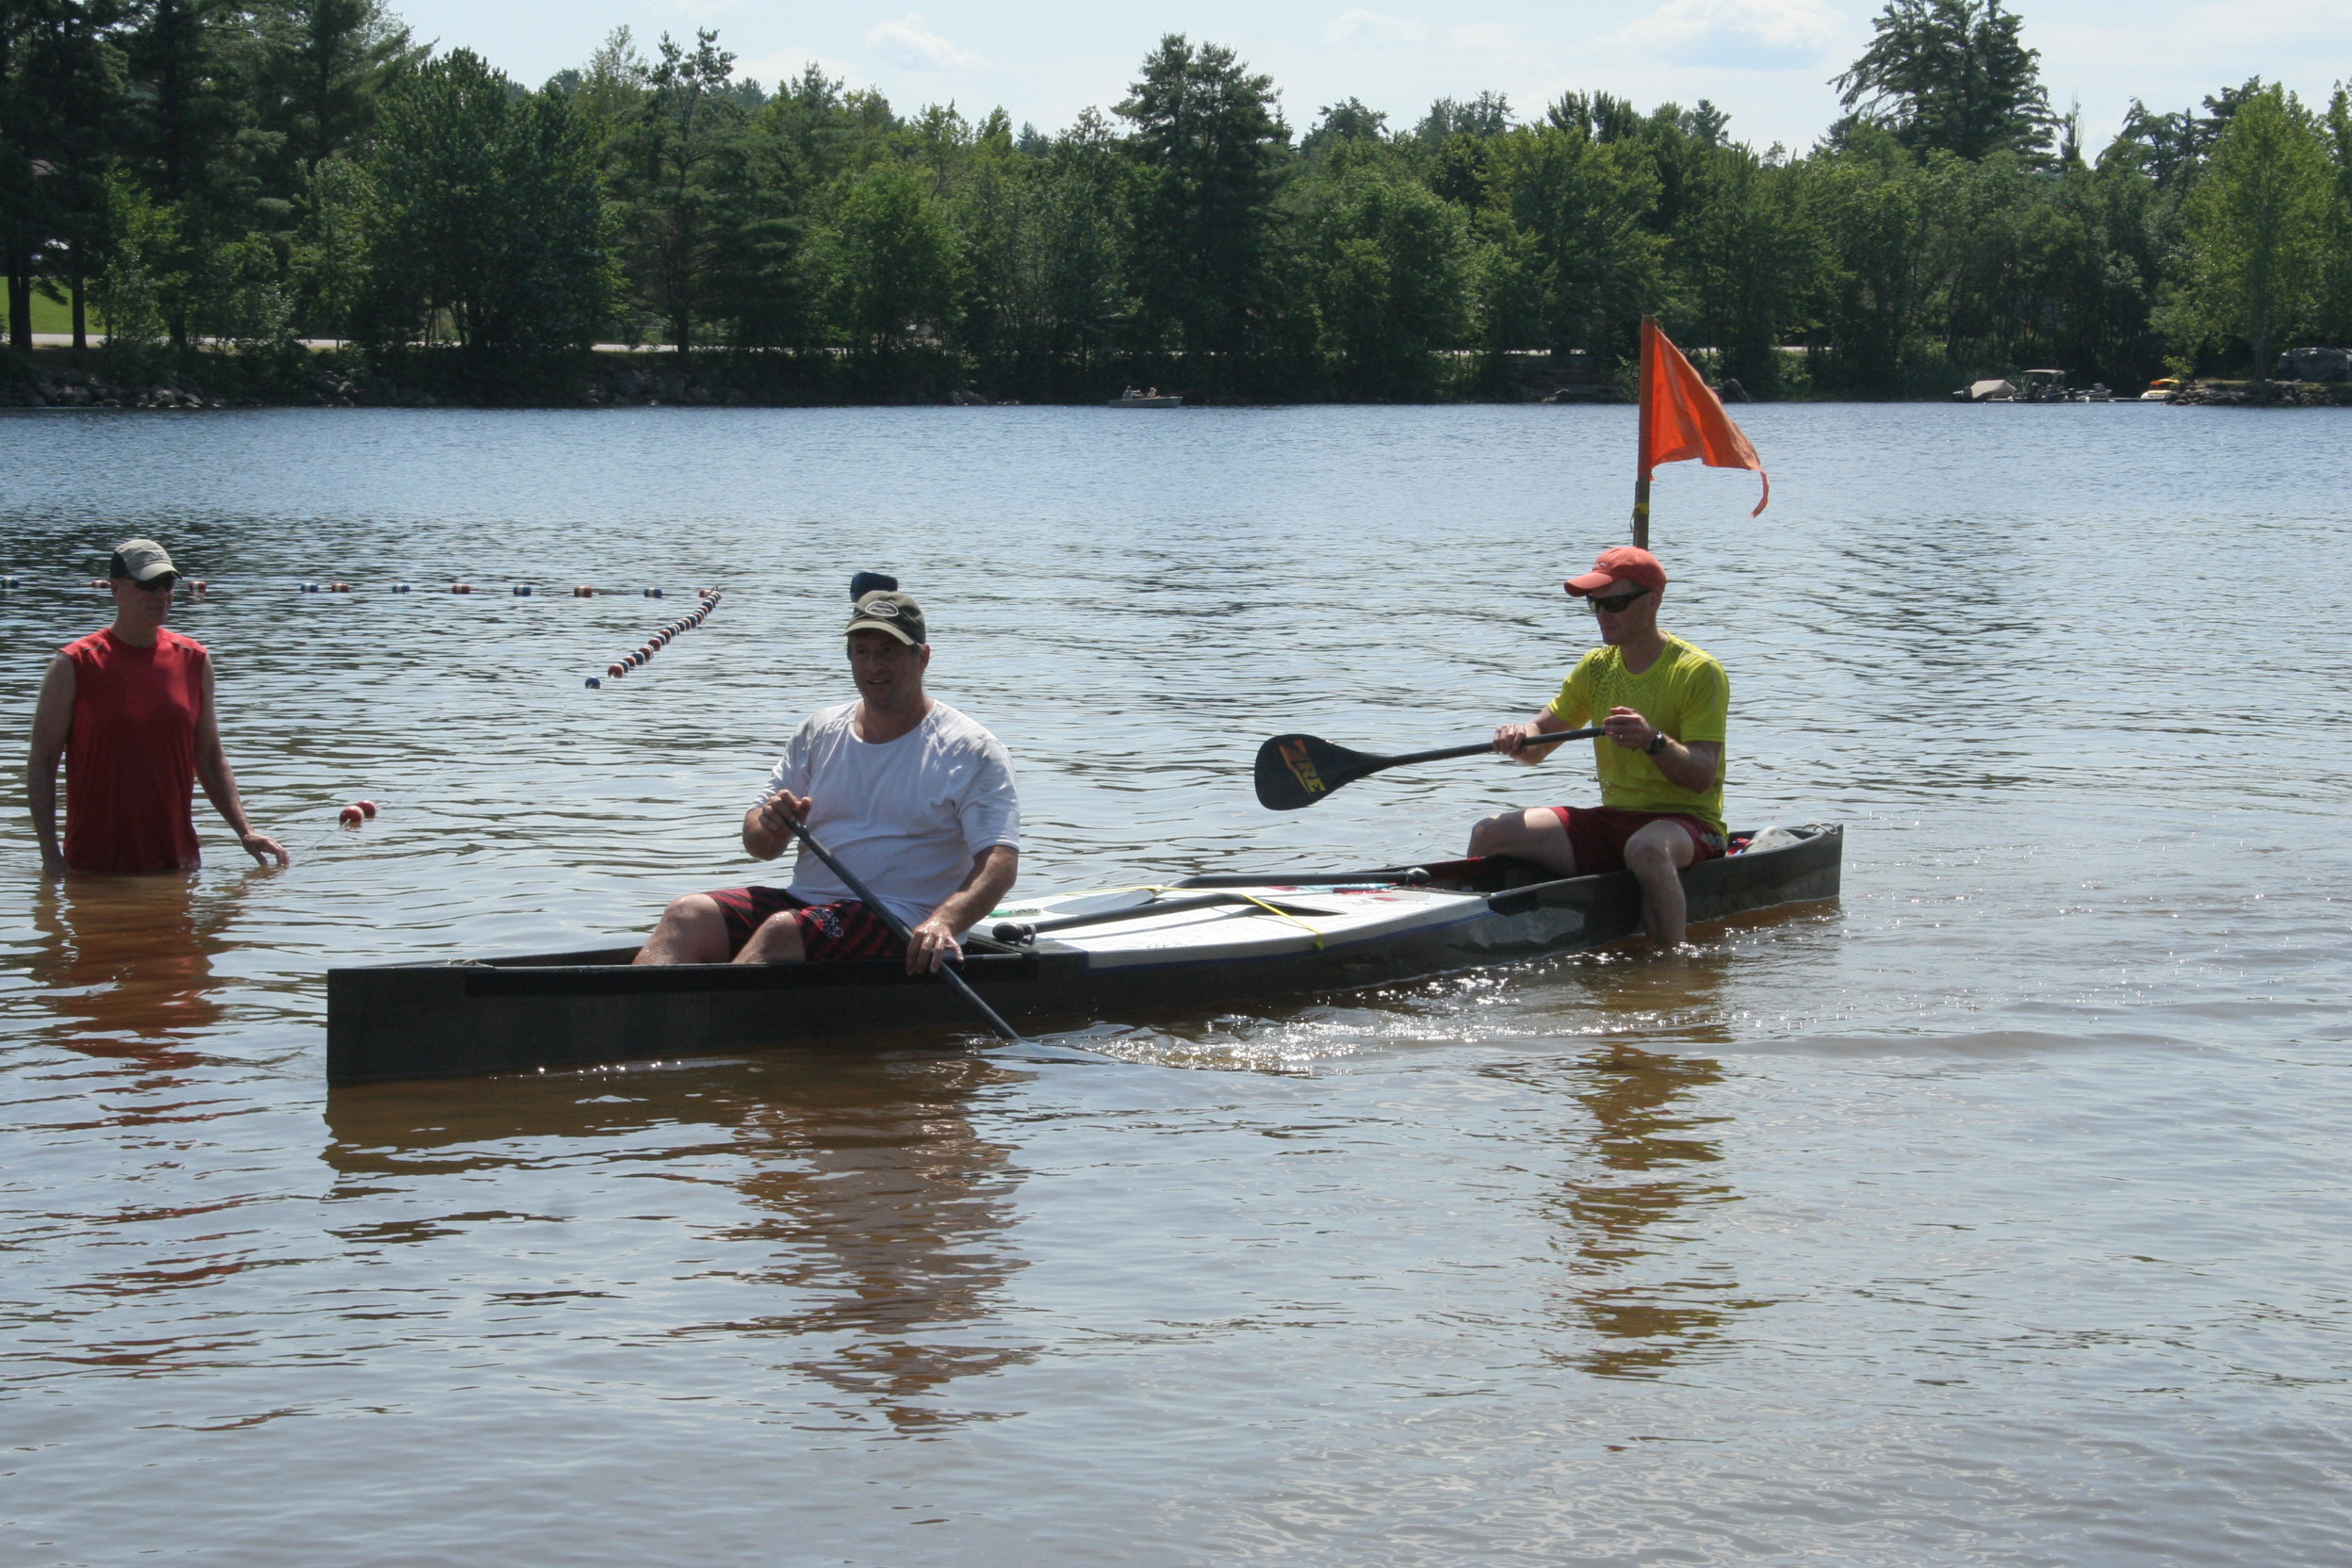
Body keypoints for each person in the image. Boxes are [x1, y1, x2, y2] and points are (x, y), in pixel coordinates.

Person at [635, 588, 1020, 972]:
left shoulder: (972, 749)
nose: (873, 665)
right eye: (862, 650)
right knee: (688, 913)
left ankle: (705, 1024)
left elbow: (999, 863)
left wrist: (945, 922)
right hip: (807, 905)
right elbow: (759, 847)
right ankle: (639, 1017)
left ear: (922, 658)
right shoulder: (819, 731)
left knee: (782, 932)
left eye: (888, 650)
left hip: (906, 920)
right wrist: (769, 824)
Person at [1468, 546, 1727, 947]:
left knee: (1645, 849)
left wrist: (1653, 741)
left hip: (1689, 824)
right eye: (1596, 604)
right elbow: (1539, 741)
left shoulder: (1698, 672)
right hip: (1615, 819)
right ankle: (1474, 941)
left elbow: (1701, 775)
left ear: (1654, 600)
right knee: (1488, 832)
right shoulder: (1597, 666)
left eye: (1617, 603)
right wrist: (1520, 737)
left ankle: (1672, 973)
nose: (1605, 615)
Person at [28, 538, 289, 875]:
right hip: (93, 865)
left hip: (176, 861)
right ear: (115, 588)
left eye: (166, 584)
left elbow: (209, 756)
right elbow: (42, 761)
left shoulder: (194, 659)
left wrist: (245, 830)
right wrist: (50, 855)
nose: (161, 594)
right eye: (149, 584)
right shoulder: (74, 664)